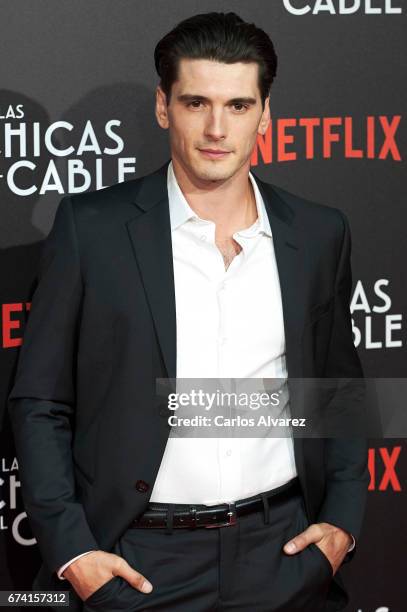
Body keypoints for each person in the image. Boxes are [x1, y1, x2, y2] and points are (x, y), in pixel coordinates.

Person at [8, 11, 368, 612]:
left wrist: (342, 525)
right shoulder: (91, 230)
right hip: (139, 561)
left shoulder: (318, 231)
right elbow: (39, 399)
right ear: (163, 107)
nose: (216, 128)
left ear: (265, 113)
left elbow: (338, 390)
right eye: (196, 102)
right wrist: (74, 551)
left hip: (283, 555)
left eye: (238, 105)